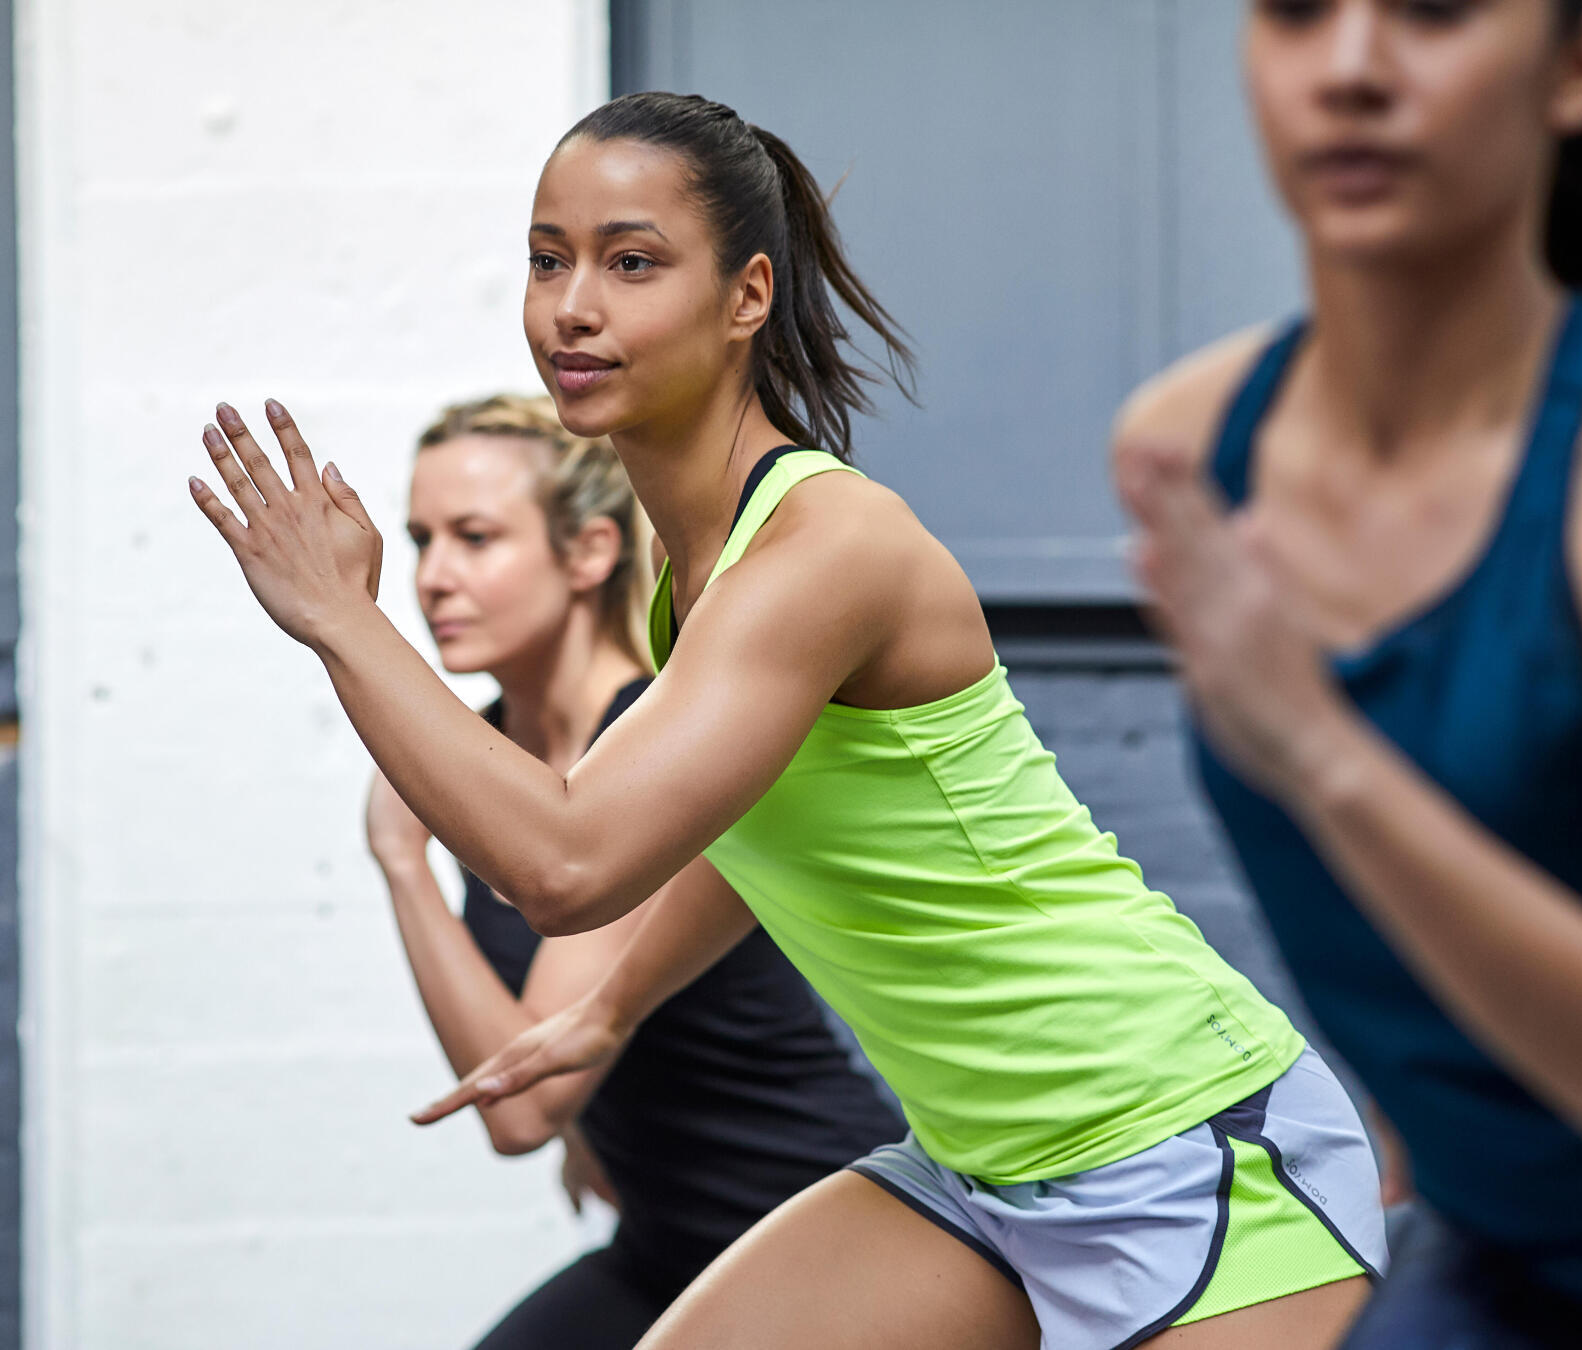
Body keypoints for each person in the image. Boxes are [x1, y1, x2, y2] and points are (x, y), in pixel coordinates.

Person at [187, 91, 1388, 1350]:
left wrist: (342, 620)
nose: (572, 306)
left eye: (631, 262)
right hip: (982, 1170)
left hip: (1186, 1144)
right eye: (549, 260)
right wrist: (611, 1009)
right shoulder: (682, 570)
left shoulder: (824, 548)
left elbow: (566, 863)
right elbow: (760, 825)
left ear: (747, 296)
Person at [1112, 2, 1582, 1346]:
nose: (1353, 70)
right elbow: (1404, 929)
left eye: (1434, 10)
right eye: (1299, 13)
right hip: (1505, 1256)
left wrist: (1315, 742)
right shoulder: (1191, 446)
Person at [364, 393, 903, 1349]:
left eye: (476, 538)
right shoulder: (493, 754)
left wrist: (403, 863)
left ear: (589, 554)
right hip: (664, 1241)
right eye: (420, 540)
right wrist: (600, 1127)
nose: (435, 577)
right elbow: (555, 1038)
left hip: (806, 1231)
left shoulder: (650, 749)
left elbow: (522, 1105)